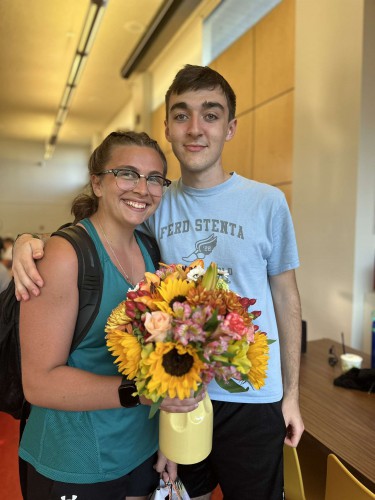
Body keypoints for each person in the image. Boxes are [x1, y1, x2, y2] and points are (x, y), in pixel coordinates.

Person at [13, 65, 304, 500]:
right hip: (175, 392)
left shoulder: (266, 202)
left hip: (254, 396)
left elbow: (286, 296)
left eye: (211, 114)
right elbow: (97, 232)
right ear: (166, 126)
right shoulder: (155, 204)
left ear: (230, 127)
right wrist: (30, 242)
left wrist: (292, 394)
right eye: (181, 114)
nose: (195, 128)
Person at [16, 131, 201, 500]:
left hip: (140, 453)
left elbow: (158, 359)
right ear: (97, 183)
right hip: (74, 461)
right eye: (128, 173)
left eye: (154, 179)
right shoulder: (66, 256)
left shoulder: (150, 250)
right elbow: (39, 383)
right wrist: (143, 394)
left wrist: (166, 441)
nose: (142, 188)